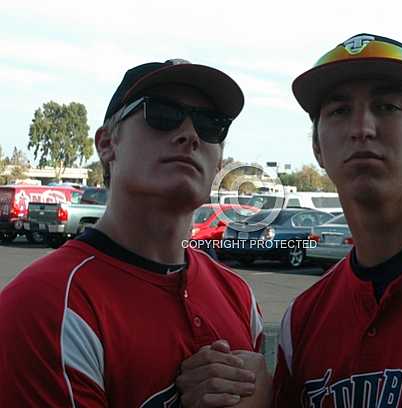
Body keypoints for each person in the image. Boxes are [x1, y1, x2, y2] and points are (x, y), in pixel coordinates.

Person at [176, 33, 402, 408]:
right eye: (339, 111)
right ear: (317, 148)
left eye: (387, 107)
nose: (362, 127)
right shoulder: (304, 319)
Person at [0, 58, 270, 407]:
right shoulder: (46, 306)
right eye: (161, 114)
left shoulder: (240, 298)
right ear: (107, 143)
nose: (189, 135)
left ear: (218, 164)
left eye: (211, 125)